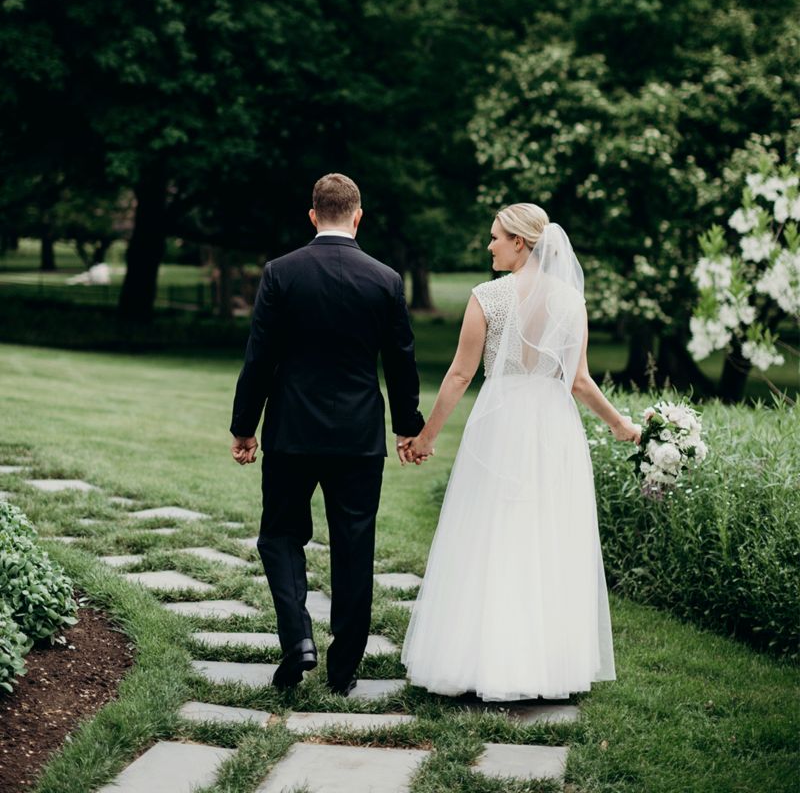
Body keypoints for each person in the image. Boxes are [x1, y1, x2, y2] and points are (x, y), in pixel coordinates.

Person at [401, 203, 641, 701]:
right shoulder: (570, 301)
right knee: (544, 533)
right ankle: (545, 666)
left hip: (502, 422)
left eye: (495, 237)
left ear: (520, 242)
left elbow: (461, 376)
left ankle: (480, 659)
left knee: (491, 530)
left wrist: (427, 437)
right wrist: (619, 424)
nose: (488, 245)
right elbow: (578, 381)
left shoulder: (488, 297)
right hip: (553, 426)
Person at [230, 173, 425, 696]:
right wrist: (408, 426)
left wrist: (244, 427)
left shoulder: (281, 273)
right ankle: (343, 670)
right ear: (356, 216)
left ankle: (297, 640)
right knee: (355, 545)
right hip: (359, 438)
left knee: (279, 536)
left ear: (313, 215)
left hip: (292, 432)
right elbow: (401, 362)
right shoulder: (385, 279)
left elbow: (260, 358)